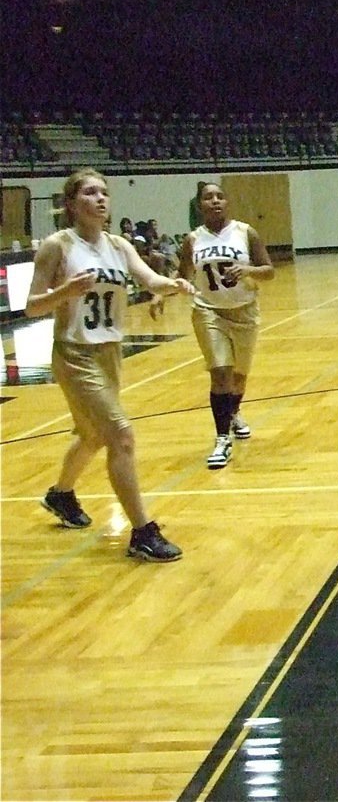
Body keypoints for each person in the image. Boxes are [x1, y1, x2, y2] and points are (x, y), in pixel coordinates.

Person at [27, 168, 195, 561]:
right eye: (90, 192)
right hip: (74, 353)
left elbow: (149, 280)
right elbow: (33, 305)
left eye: (104, 192)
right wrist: (65, 291)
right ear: (72, 204)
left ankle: (61, 495)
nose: (101, 199)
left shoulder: (118, 246)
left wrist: (173, 284)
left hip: (109, 353)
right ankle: (141, 532)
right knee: (120, 435)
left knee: (92, 435)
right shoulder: (58, 246)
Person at [177, 182, 275, 469]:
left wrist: (247, 270)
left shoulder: (246, 233)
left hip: (244, 311)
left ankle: (233, 412)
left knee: (238, 378)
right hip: (209, 311)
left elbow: (268, 271)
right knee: (220, 374)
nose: (215, 201)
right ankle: (222, 439)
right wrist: (161, 294)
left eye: (220, 196)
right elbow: (182, 274)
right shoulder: (192, 240)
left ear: (227, 202)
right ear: (200, 205)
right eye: (209, 197)